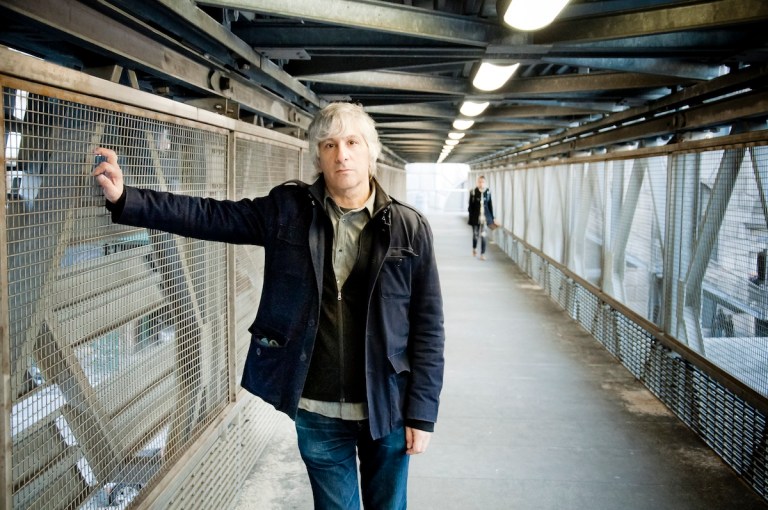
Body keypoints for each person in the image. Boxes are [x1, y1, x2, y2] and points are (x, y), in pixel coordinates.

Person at [93, 102, 445, 510]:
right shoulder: (288, 210)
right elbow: (210, 216)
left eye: (352, 143)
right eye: (329, 145)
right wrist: (125, 200)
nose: (341, 154)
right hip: (318, 407)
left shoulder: (408, 227)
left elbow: (429, 326)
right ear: (318, 156)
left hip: (388, 405)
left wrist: (422, 413)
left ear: (372, 152)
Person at [467, 175, 495, 260]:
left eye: (482, 182)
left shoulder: (488, 192)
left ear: (485, 183)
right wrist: (471, 218)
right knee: (475, 235)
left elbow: (490, 206)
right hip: (475, 218)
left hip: (485, 219)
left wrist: (492, 218)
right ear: (477, 182)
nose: (481, 183)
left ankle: (482, 254)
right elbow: (470, 207)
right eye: (479, 182)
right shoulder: (473, 192)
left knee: (483, 235)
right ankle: (474, 248)